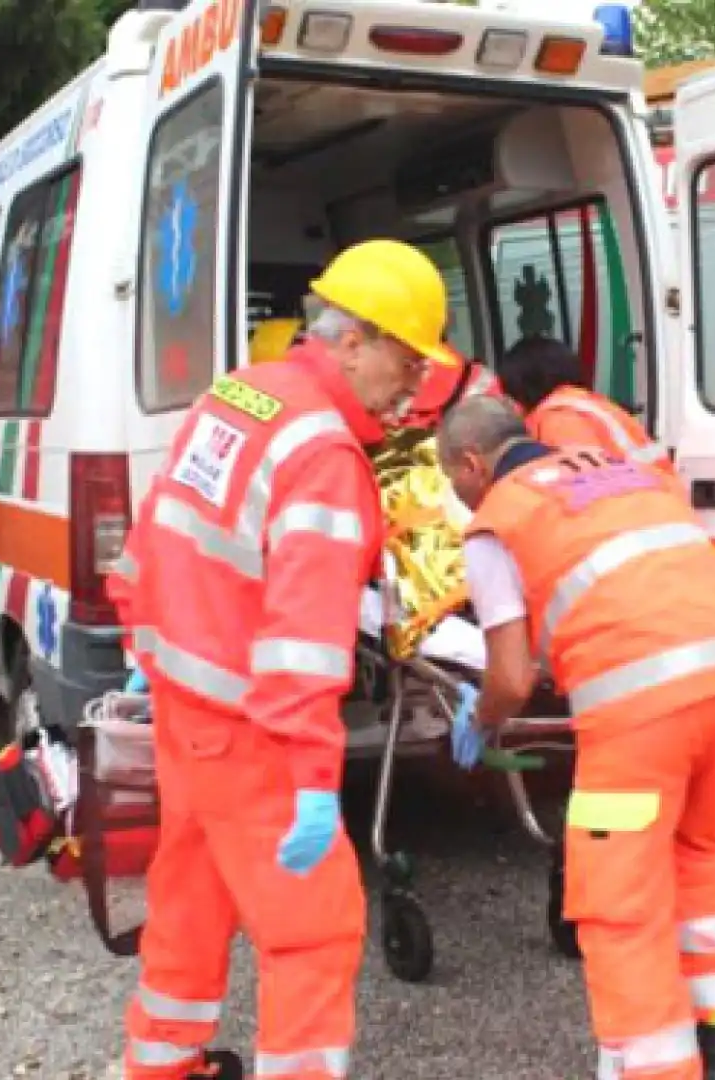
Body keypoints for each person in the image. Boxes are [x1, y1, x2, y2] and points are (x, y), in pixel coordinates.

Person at [108, 238, 458, 1080]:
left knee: (189, 907)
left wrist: (143, 648)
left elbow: (150, 539)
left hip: (187, 714)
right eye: (407, 363)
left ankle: (160, 1066)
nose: (414, 386)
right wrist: (309, 780)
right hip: (253, 733)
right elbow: (304, 647)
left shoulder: (239, 397)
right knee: (313, 932)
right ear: (352, 341)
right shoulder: (326, 457)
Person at [434, 395, 715, 1079]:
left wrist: (480, 721)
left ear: (472, 465)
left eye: (453, 483)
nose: (459, 499)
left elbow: (509, 676)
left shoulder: (500, 519)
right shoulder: (614, 472)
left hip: (644, 699)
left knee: (618, 900)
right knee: (700, 849)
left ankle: (654, 1067)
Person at [496, 334, 672, 476]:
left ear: (522, 387)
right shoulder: (590, 405)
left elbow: (582, 488)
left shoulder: (560, 421)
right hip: (659, 505)